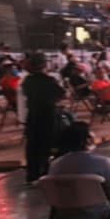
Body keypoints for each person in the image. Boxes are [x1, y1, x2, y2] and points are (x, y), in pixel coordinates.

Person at [21, 53, 65, 181]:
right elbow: (61, 94)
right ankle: (45, 172)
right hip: (47, 115)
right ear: (44, 65)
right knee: (46, 144)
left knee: (32, 145)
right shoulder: (48, 80)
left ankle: (32, 174)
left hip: (32, 115)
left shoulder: (27, 80)